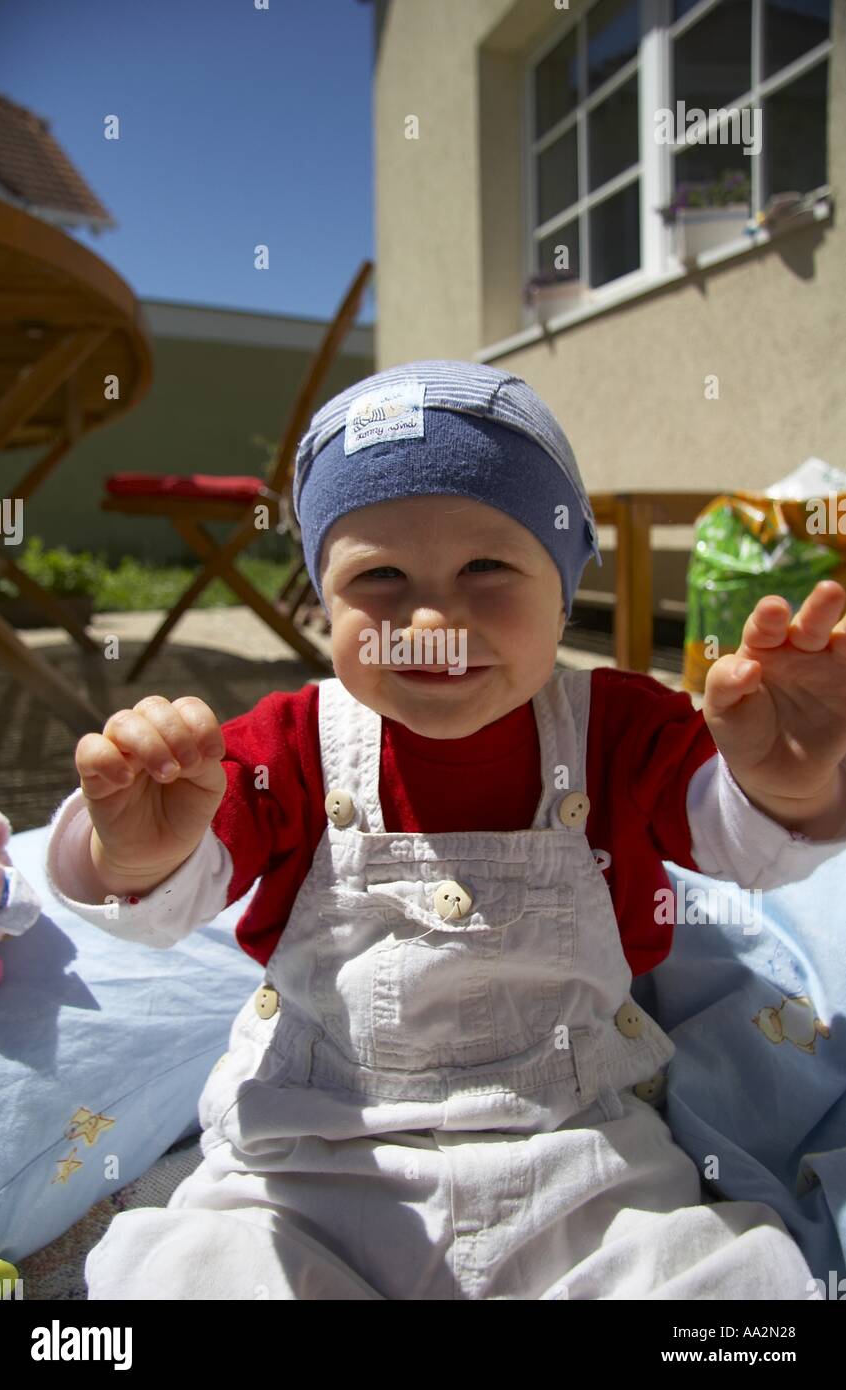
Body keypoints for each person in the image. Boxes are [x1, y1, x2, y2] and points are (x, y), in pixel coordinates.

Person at [45, 359, 846, 1299]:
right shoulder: (291, 741)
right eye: (378, 576)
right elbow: (174, 891)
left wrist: (782, 782)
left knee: (730, 1286)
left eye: (485, 568)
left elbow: (736, 846)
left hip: (578, 1148)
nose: (428, 617)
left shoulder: (620, 727)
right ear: (323, 603)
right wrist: (132, 851)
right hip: (309, 1152)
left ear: (562, 587)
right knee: (192, 1273)